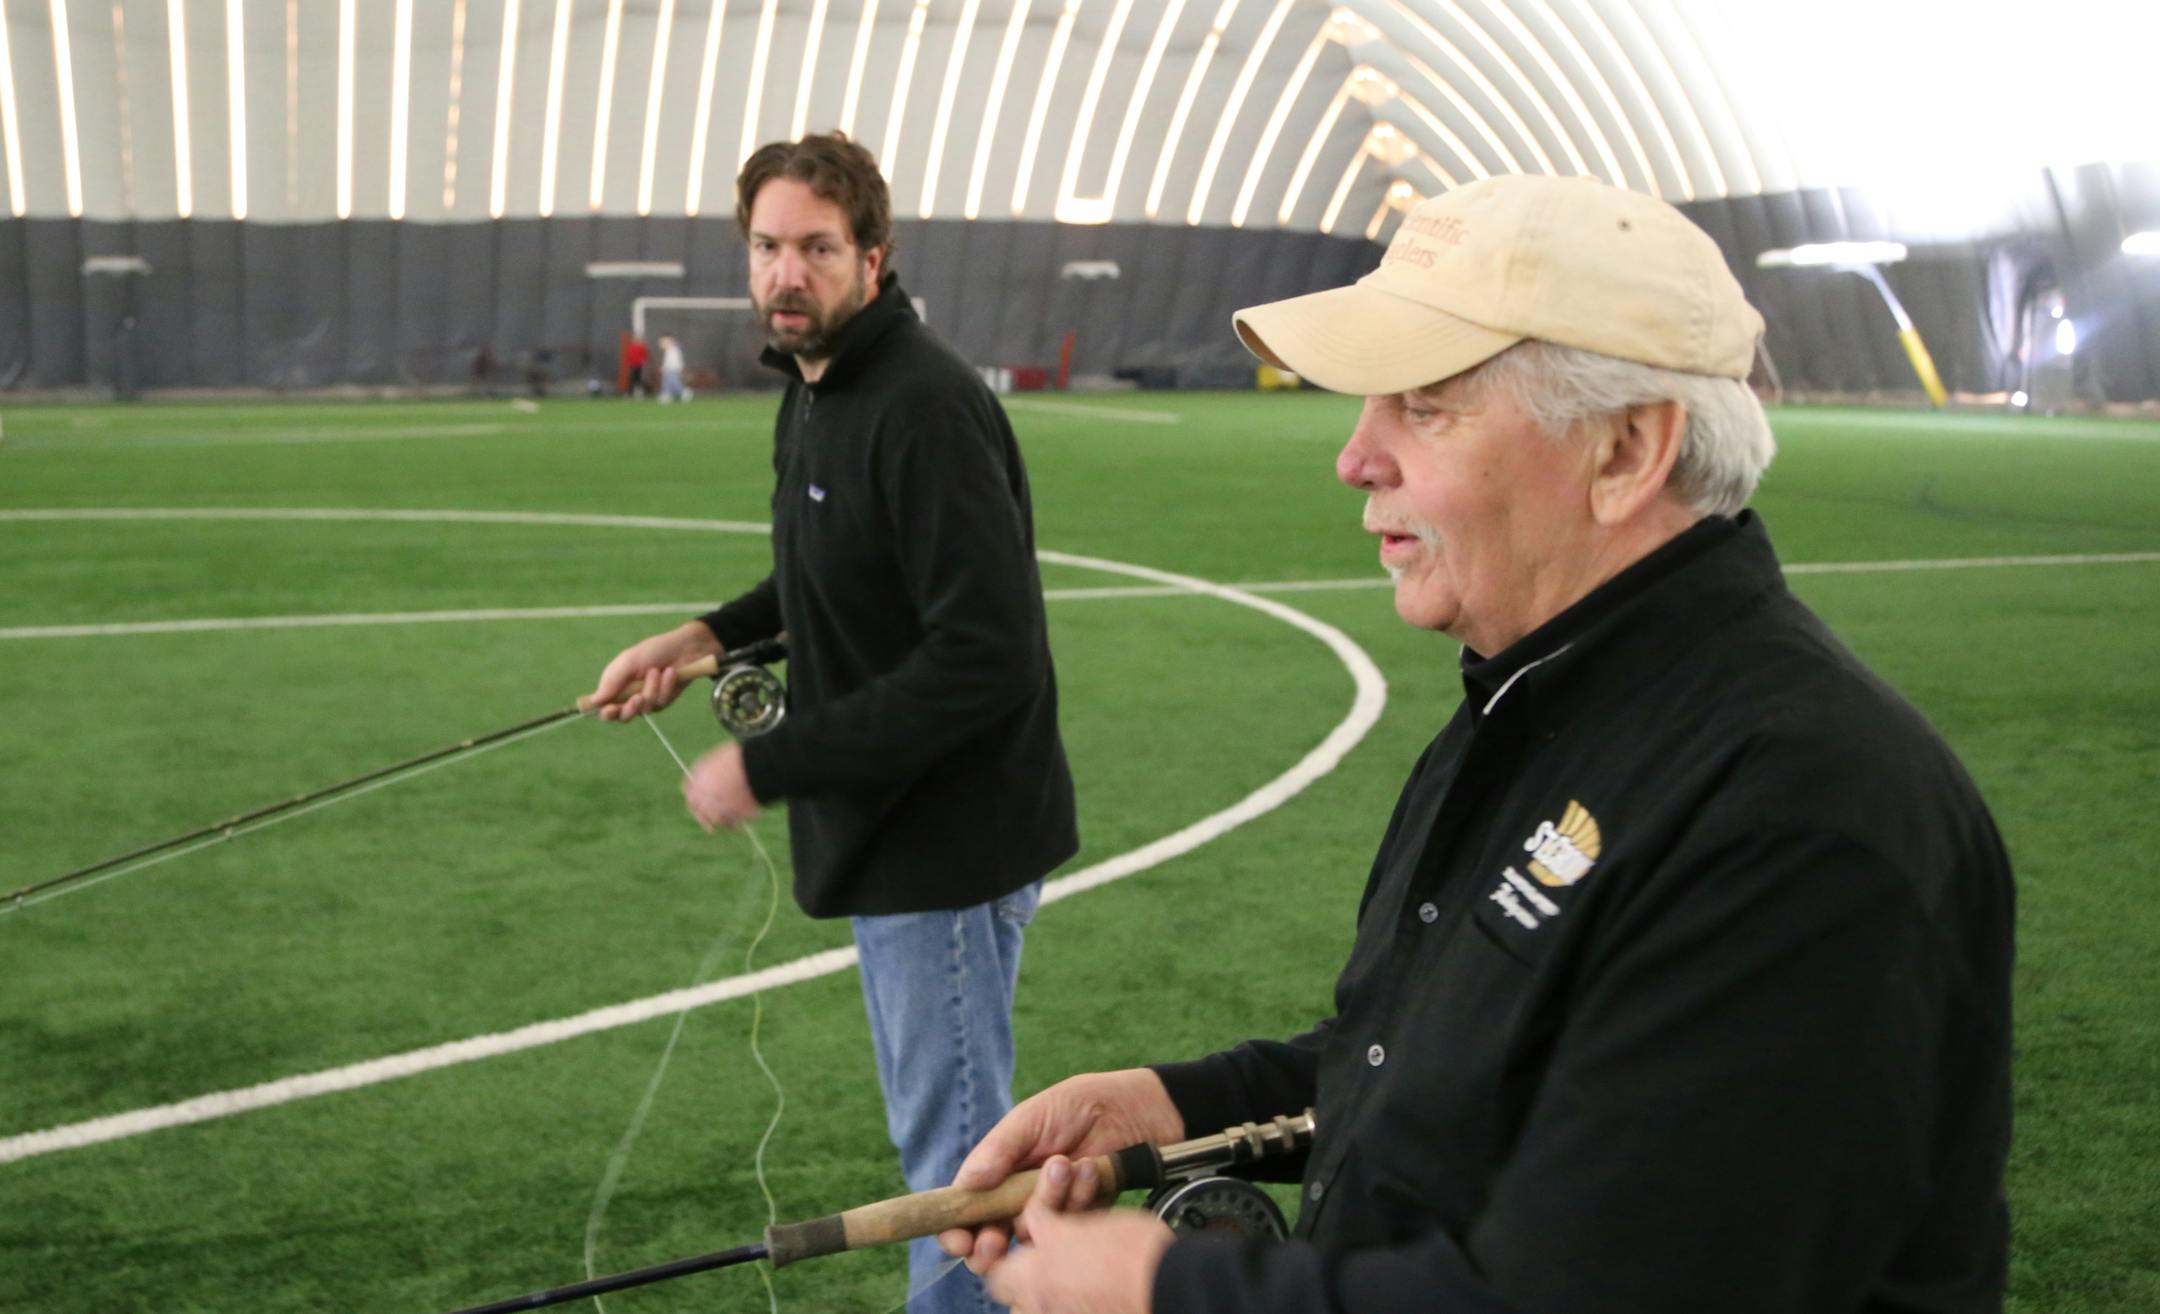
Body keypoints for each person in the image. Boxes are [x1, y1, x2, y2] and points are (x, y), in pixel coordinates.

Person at [938, 175, 2014, 1314]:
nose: (1356, 458)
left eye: (1427, 404)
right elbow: (1443, 1061)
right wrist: (1176, 1106)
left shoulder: (1803, 817)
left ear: (1624, 453)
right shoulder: (1538, 699)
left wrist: (1170, 1289)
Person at [586, 132, 1078, 1314]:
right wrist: (700, 640)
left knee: (959, 1180)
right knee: (948, 1156)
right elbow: (821, 581)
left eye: (815, 248)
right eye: (767, 248)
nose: (786, 274)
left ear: (873, 254)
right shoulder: (814, 394)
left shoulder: (923, 407)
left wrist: (772, 763)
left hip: (946, 843)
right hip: (890, 833)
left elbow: (984, 655)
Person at [657, 333, 687, 402]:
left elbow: (672, 361)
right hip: (670, 369)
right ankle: (666, 395)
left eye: (663, 342)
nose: (661, 344)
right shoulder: (670, 350)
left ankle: (684, 392)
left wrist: (664, 368)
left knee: (674, 382)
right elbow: (667, 361)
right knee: (667, 382)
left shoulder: (673, 350)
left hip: (673, 369)